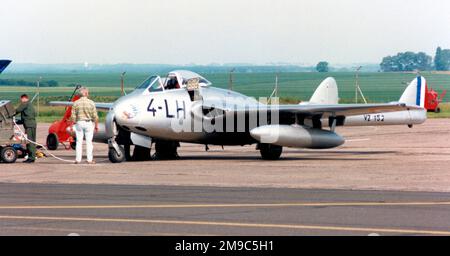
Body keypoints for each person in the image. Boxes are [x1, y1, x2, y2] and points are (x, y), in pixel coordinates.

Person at [70, 87, 99, 164]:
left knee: (79, 142)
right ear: (85, 94)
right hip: (88, 123)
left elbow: (73, 116)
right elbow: (95, 116)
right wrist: (96, 125)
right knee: (89, 142)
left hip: (79, 123)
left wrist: (71, 126)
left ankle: (78, 159)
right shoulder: (91, 103)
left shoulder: (76, 103)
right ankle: (89, 159)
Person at [15, 94, 37, 163]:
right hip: (31, 124)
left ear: (24, 98)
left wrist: (9, 114)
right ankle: (31, 157)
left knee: (29, 141)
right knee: (31, 141)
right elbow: (26, 117)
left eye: (21, 99)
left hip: (29, 125)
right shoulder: (29, 105)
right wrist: (16, 121)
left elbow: (18, 110)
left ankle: (31, 158)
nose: (21, 101)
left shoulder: (25, 103)